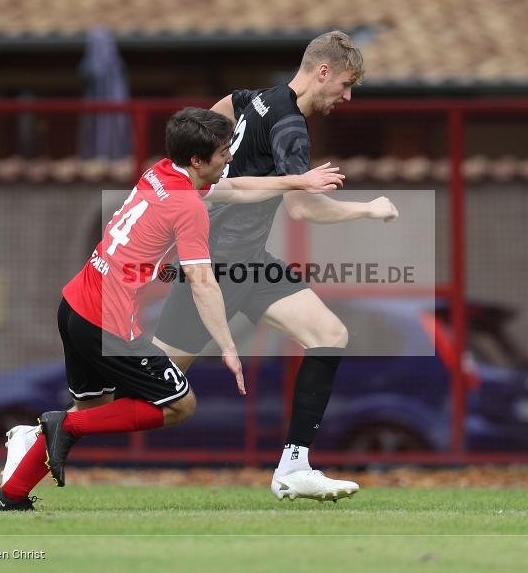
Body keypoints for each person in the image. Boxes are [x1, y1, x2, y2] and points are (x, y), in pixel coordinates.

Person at [0, 107, 344, 511]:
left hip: (73, 307)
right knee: (179, 405)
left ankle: (10, 495)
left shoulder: (160, 172)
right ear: (197, 160)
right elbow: (203, 282)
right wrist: (228, 346)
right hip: (106, 322)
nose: (230, 157)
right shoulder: (188, 207)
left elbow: (237, 189)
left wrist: (297, 181)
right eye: (223, 152)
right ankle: (57, 426)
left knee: (94, 409)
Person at [152, 31, 398, 502]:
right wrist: (369, 209)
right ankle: (46, 433)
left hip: (250, 264)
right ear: (322, 72)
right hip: (216, 267)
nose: (347, 97)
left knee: (329, 333)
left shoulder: (261, 99)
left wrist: (202, 163)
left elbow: (225, 106)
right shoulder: (290, 127)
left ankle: (294, 466)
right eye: (346, 84)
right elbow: (304, 209)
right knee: (151, 389)